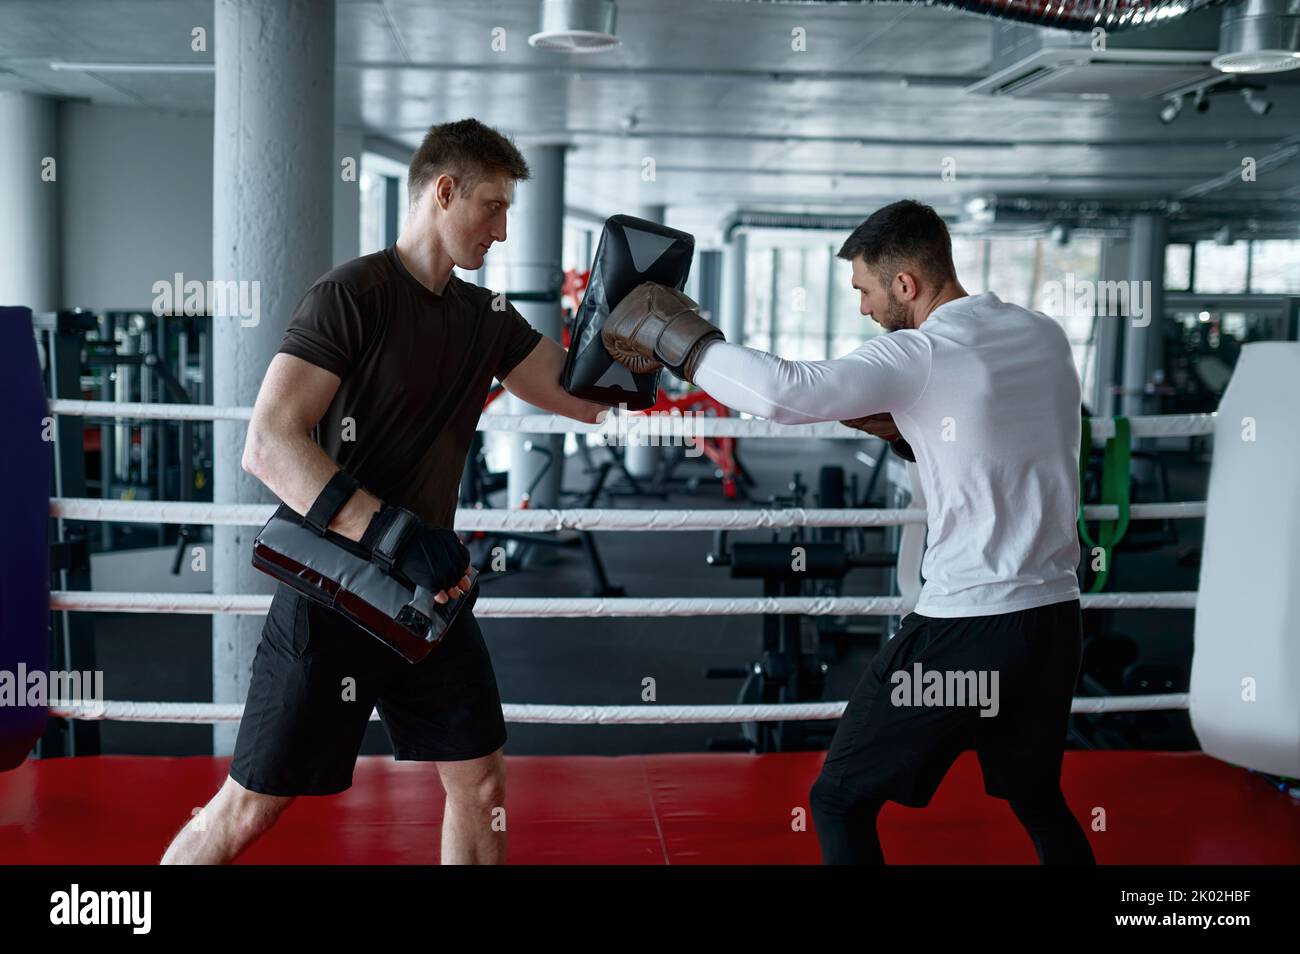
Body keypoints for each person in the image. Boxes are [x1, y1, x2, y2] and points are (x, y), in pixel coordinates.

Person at [161, 118, 606, 865]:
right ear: (444, 191)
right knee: (246, 811)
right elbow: (269, 444)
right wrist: (396, 536)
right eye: (492, 207)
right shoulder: (352, 294)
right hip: (336, 589)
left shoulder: (484, 316)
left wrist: (646, 345)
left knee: (481, 785)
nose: (502, 230)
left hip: (424, 599)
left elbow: (580, 395)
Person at [602, 199, 1096, 865]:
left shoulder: (922, 351)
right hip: (1054, 621)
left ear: (906, 286)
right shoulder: (1041, 334)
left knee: (839, 799)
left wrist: (679, 339)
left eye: (865, 290)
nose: (863, 308)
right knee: (1037, 797)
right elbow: (1009, 433)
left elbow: (786, 392)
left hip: (969, 627)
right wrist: (910, 431)